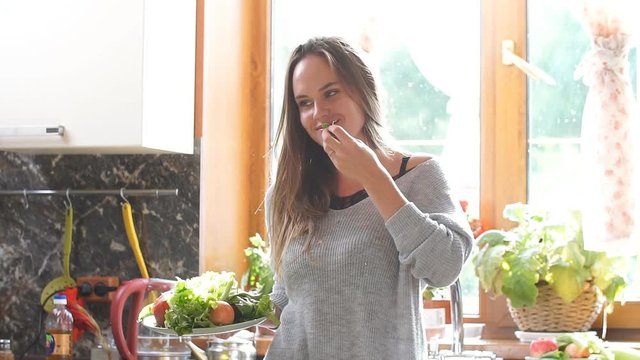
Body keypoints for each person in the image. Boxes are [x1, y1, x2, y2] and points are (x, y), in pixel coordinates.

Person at [264, 36, 473, 360]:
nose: (319, 112)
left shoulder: (419, 175)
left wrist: (372, 175)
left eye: (330, 93)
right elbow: (288, 299)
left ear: (363, 91)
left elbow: (445, 267)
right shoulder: (287, 193)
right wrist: (228, 315)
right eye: (305, 103)